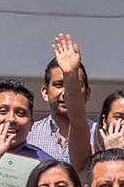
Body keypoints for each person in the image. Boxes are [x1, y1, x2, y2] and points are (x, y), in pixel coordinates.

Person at [24, 35, 93, 171]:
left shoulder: (100, 134)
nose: (66, 92)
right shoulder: (28, 134)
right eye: (58, 84)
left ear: (87, 93)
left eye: (74, 85)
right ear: (45, 92)